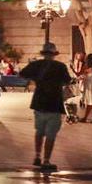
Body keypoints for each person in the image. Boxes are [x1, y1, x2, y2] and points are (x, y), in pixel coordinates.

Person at [20, 41, 74, 171]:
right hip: (54, 103)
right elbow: (67, 80)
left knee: (39, 131)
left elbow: (22, 74)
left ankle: (37, 156)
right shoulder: (60, 67)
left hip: (39, 102)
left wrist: (36, 79)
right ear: (54, 54)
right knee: (51, 134)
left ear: (44, 54)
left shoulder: (36, 65)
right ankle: (46, 161)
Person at [78, 53, 92, 123]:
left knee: (91, 104)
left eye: (87, 59)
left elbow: (82, 77)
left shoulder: (89, 70)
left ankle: (88, 118)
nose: (86, 60)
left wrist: (76, 79)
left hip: (90, 90)